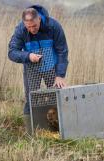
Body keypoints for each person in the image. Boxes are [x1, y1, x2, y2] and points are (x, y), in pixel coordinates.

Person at [8, 5, 69, 134]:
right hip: (32, 68)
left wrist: (60, 75)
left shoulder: (53, 26)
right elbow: (12, 52)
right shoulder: (20, 30)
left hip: (51, 66)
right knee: (31, 98)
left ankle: (61, 131)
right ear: (24, 24)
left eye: (34, 26)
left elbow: (62, 51)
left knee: (56, 95)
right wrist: (28, 56)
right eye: (28, 27)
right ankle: (32, 133)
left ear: (39, 20)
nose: (32, 29)